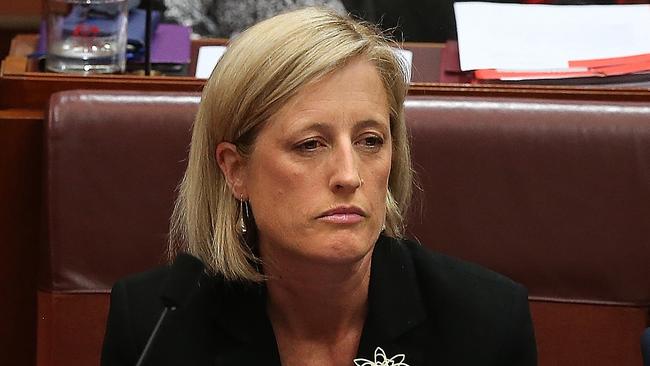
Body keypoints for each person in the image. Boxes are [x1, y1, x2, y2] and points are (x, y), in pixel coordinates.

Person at [101, 7, 537, 366]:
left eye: (370, 141)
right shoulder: (155, 329)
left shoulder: (486, 325)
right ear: (235, 170)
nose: (349, 175)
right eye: (310, 144)